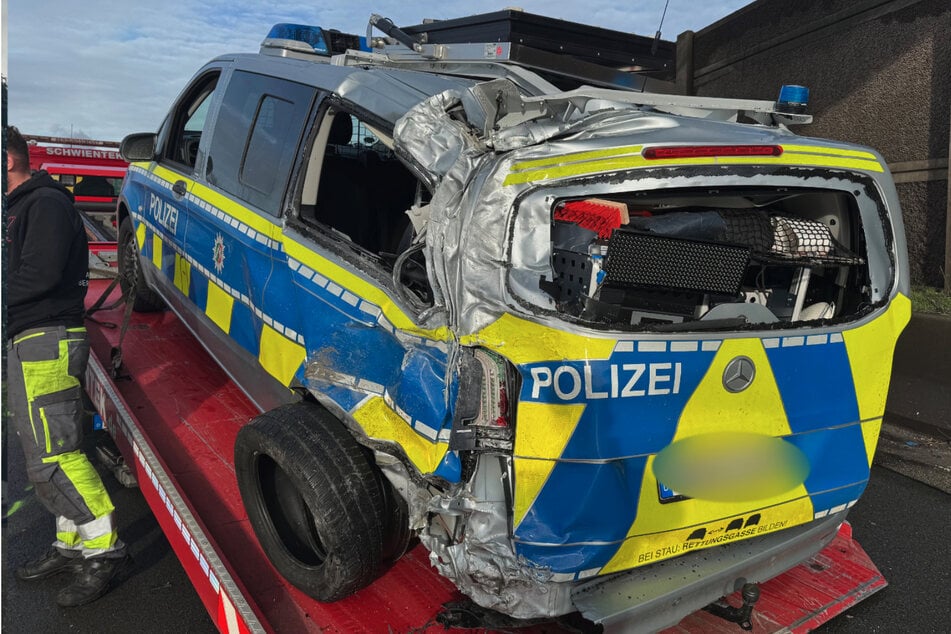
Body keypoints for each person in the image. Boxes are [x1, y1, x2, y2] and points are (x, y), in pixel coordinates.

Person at [4, 125, 130, 607]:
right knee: (47, 454)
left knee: (56, 456)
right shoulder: (22, 206)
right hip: (30, 340)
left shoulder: (45, 205)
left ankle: (106, 551)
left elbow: (39, 274)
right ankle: (72, 542)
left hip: (47, 339)